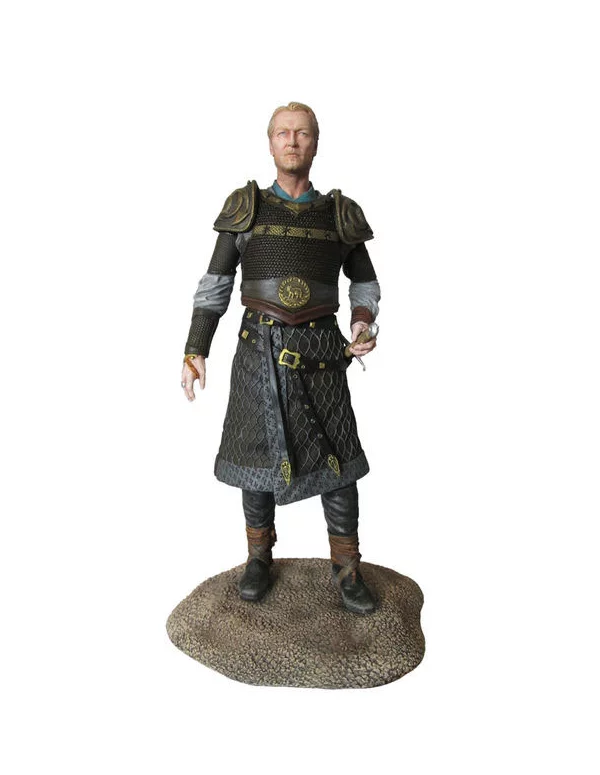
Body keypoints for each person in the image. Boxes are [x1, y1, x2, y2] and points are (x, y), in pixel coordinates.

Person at [181, 102, 380, 614]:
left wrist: (362, 322)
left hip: (322, 352)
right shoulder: (245, 207)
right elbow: (215, 284)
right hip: (259, 350)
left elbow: (364, 282)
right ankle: (258, 558)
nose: (292, 141)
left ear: (316, 142)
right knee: (255, 455)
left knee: (339, 459)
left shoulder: (340, 214)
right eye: (283, 133)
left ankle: (347, 566)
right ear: (270, 142)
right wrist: (196, 347)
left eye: (303, 133)